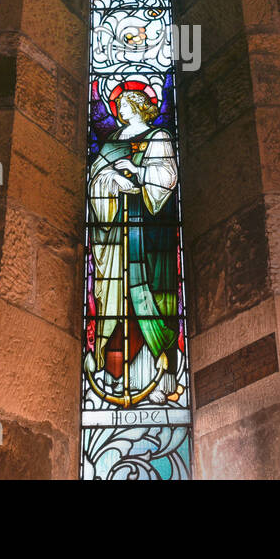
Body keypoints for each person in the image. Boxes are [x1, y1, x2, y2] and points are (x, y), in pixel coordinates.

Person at [85, 85, 182, 405]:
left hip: (149, 236)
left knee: (146, 299)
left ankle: (152, 373)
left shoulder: (159, 137)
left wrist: (138, 173)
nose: (120, 110)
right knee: (115, 299)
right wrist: (113, 178)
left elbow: (167, 177)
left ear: (141, 107)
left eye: (126, 104)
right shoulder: (113, 142)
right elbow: (95, 178)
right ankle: (112, 374)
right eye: (118, 105)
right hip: (115, 239)